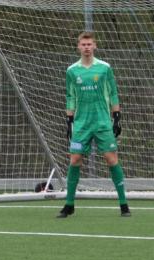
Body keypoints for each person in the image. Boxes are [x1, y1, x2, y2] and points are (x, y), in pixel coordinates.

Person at [58, 31, 130, 218]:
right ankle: (69, 205)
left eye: (89, 44)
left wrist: (117, 116)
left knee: (111, 159)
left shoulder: (105, 68)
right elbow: (70, 96)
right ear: (78, 46)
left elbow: (113, 92)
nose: (87, 47)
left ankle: (124, 205)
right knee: (75, 160)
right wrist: (69, 121)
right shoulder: (72, 70)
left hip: (102, 123)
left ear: (95, 46)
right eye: (83, 44)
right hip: (81, 124)